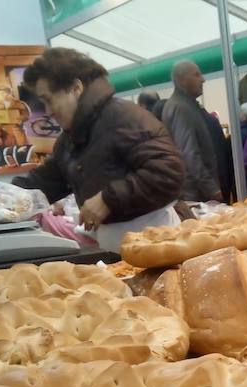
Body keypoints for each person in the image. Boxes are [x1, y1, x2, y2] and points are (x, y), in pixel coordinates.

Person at [12, 48, 183, 252]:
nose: (48, 111)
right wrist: (5, 198)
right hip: (116, 245)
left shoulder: (124, 118)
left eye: (49, 100)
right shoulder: (69, 140)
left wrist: (108, 199)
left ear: (76, 88)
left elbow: (168, 172)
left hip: (156, 242)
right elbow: (46, 180)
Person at [160, 60, 222, 203]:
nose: (203, 80)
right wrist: (211, 187)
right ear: (181, 81)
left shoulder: (185, 105)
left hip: (194, 191)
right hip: (194, 194)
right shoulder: (181, 107)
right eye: (196, 75)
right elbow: (188, 153)